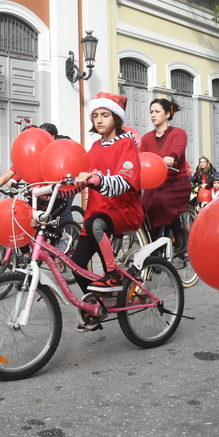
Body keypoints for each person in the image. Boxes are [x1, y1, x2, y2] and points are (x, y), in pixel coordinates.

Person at [69, 92, 143, 311]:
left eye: (105, 115)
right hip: (97, 212)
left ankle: (112, 274)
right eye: (96, 115)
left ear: (116, 119)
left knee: (95, 224)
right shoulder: (93, 148)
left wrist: (96, 178)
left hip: (124, 210)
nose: (99, 120)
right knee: (76, 265)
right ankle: (98, 307)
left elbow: (123, 182)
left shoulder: (126, 144)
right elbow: (79, 181)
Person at [139, 98, 189, 252]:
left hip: (175, 182)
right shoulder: (147, 137)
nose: (153, 115)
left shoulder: (178, 133)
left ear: (167, 114)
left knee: (161, 201)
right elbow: (140, 156)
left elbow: (178, 147)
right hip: (155, 184)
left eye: (157, 111)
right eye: (151, 112)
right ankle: (153, 245)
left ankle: (180, 232)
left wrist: (172, 157)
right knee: (142, 208)